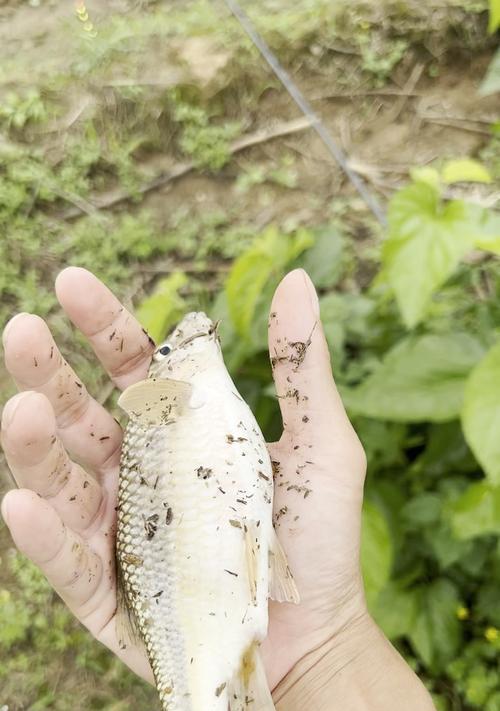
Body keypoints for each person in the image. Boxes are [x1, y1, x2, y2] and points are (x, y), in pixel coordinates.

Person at [0, 267, 435, 710]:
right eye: (169, 348)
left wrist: (325, 647)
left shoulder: (190, 404)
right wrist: (324, 656)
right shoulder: (167, 405)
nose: (186, 335)